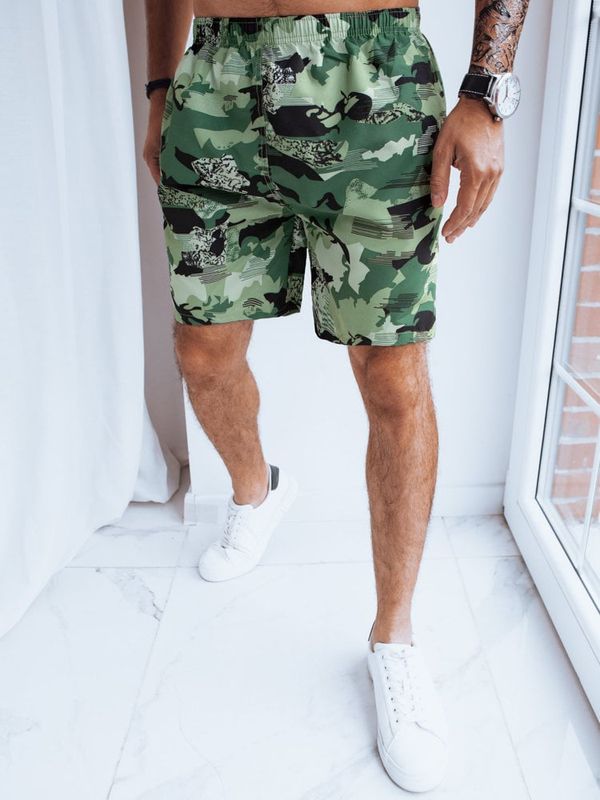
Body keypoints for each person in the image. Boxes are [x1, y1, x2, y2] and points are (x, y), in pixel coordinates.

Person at [143, 0, 528, 792]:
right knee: (202, 353)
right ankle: (257, 493)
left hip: (373, 74)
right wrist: (158, 88)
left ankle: (395, 640)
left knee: (392, 376)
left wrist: (487, 89)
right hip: (214, 78)